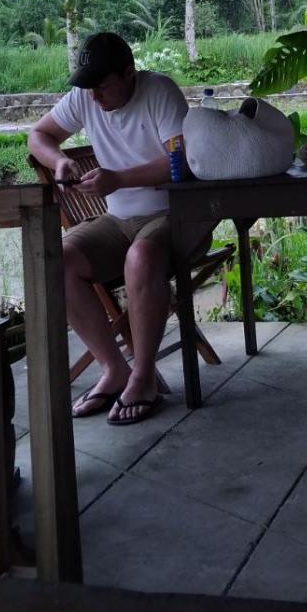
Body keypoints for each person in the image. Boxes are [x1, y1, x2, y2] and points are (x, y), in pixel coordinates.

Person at [27, 31, 210, 427]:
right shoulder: (85, 96)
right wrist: (58, 161)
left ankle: (143, 378)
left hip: (175, 215)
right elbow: (38, 135)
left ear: (129, 73)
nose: (94, 97)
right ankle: (114, 369)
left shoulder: (159, 92)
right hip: (118, 220)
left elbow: (181, 161)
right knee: (54, 260)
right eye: (89, 87)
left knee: (140, 257)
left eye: (103, 86)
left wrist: (119, 179)